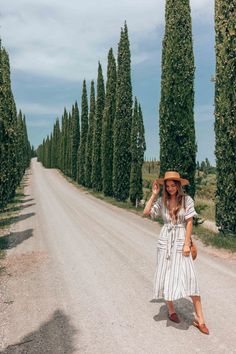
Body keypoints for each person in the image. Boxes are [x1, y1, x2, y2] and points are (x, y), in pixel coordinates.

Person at [143, 171, 209, 335]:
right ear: (164, 186)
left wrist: (187, 244)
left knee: (190, 278)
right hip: (165, 242)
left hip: (181, 241)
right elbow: (146, 212)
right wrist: (153, 194)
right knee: (166, 275)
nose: (171, 188)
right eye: (168, 185)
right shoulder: (162, 200)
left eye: (173, 185)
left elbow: (189, 222)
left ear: (178, 185)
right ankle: (171, 310)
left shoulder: (187, 200)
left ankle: (200, 320)